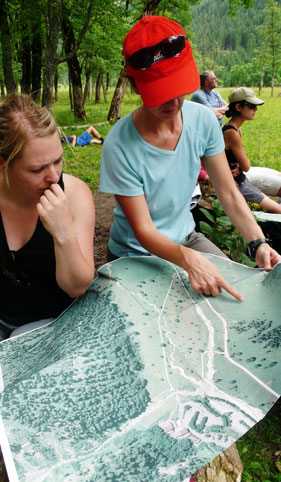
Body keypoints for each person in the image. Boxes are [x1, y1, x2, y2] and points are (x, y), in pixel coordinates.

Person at [100, 16, 281, 303]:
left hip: (187, 238)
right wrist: (188, 261)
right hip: (134, 254)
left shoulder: (203, 122)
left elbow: (228, 192)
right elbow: (143, 230)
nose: (172, 103)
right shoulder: (119, 144)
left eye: (178, 88)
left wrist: (257, 240)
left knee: (237, 296)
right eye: (160, 93)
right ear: (135, 86)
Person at [0, 94, 95, 341]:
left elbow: (76, 287)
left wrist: (63, 233)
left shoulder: (74, 194)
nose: (54, 177)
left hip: (58, 325)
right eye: (37, 169)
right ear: (3, 164)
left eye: (58, 161)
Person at [222, 87, 281, 214]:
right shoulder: (231, 132)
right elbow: (246, 166)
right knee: (278, 210)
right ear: (238, 107)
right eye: (252, 106)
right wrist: (241, 166)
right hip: (237, 185)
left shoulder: (235, 129)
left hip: (242, 180)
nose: (256, 109)